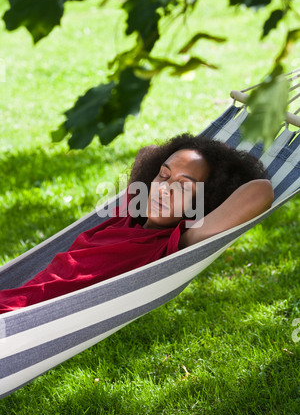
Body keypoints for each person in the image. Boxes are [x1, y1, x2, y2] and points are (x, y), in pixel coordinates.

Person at [0, 134, 274, 314]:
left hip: (21, 317)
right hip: (13, 299)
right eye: (162, 176)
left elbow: (260, 191)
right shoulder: (128, 212)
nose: (163, 190)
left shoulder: (172, 243)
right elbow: (149, 152)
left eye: (183, 186)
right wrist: (191, 157)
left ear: (204, 202)